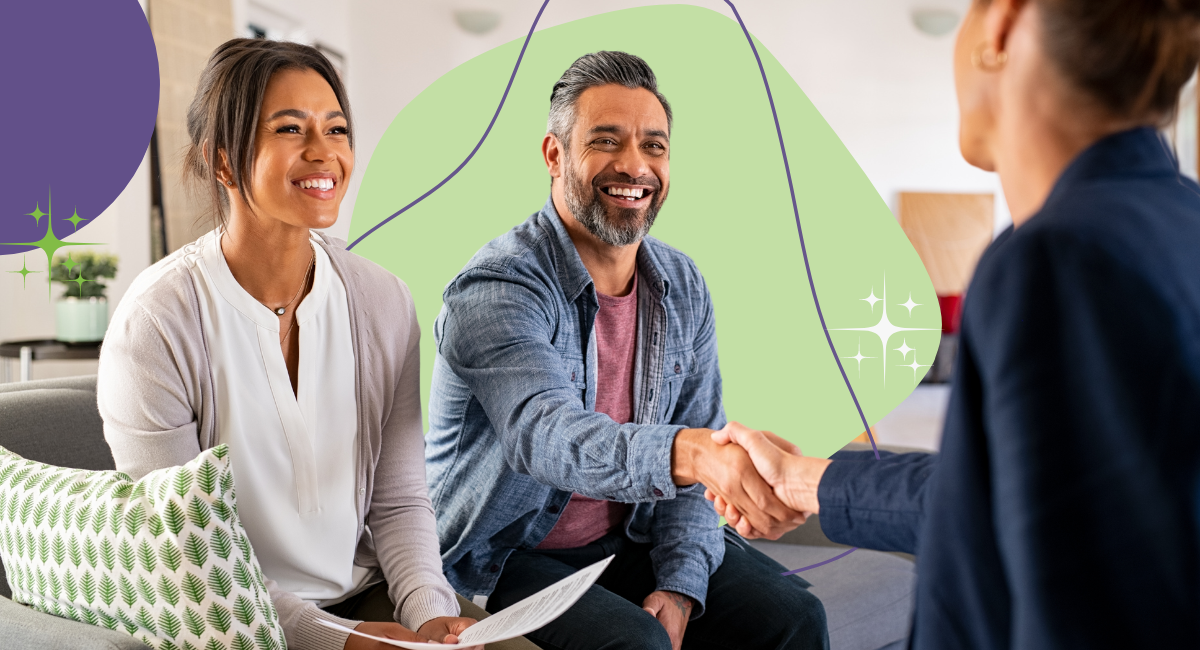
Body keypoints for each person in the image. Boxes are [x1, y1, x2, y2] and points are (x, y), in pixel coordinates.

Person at [706, 0, 1200, 648]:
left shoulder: (1060, 260)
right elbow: (1007, 500)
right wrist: (806, 481)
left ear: (1000, 22)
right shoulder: (1179, 222)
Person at [98, 38, 537, 650]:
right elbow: (186, 555)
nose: (324, 153)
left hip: (364, 590)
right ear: (222, 161)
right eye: (289, 128)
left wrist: (431, 616)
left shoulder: (382, 301)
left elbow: (402, 502)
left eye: (336, 129)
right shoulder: (156, 322)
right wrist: (341, 639)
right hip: (225, 614)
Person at [424, 51, 827, 650]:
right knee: (634, 644)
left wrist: (683, 582)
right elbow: (548, 435)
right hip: (506, 553)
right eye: (606, 141)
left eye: (655, 146)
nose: (635, 166)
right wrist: (692, 453)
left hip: (628, 537)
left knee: (795, 618)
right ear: (554, 154)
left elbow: (699, 447)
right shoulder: (498, 288)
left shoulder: (681, 284)